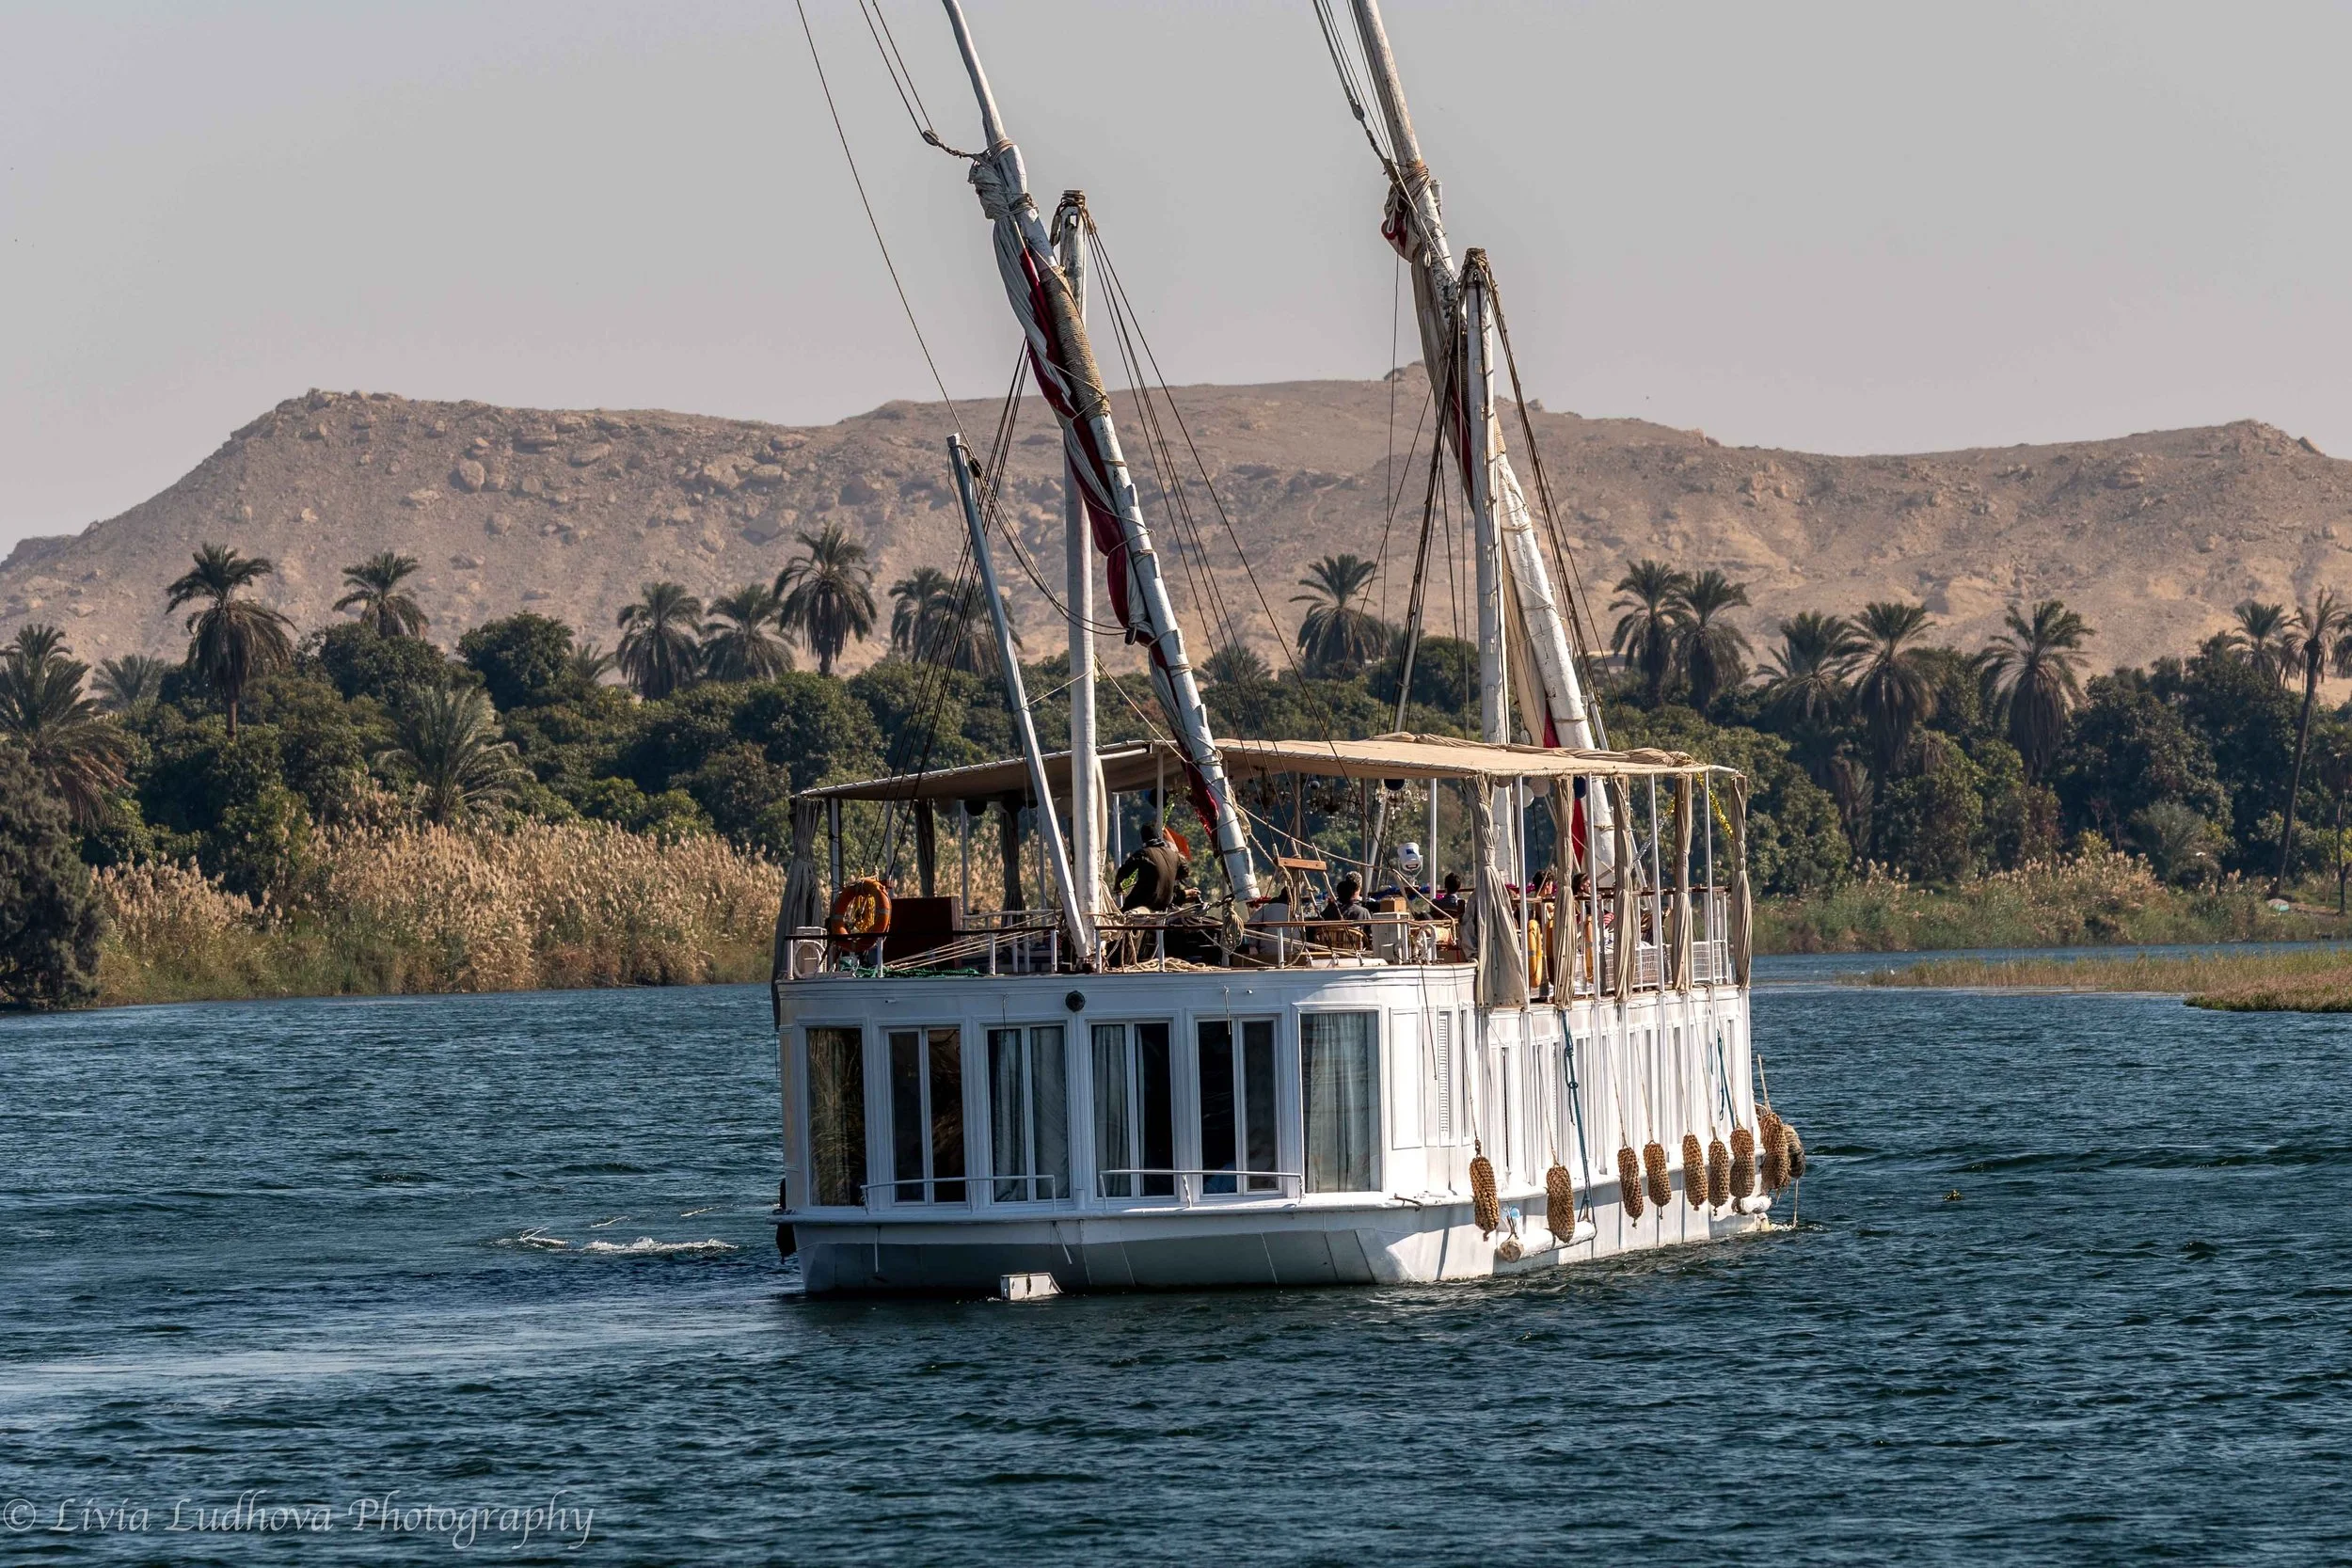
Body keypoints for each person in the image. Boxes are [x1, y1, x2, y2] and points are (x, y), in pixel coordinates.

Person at [1115, 825, 1187, 912]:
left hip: (1146, 899)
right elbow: (1185, 871)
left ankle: (1123, 920)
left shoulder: (1144, 853)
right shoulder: (1174, 854)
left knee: (1126, 909)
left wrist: (1118, 884)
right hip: (1166, 901)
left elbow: (1125, 870)